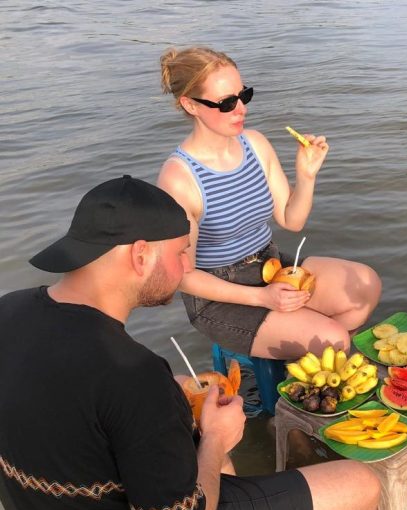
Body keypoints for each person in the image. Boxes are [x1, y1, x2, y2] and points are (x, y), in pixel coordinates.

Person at [0, 176, 380, 510]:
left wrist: (172, 404)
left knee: (195, 415)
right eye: (182, 252)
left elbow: (76, 408)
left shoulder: (9, 310)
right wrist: (218, 439)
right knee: (361, 483)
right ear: (140, 254)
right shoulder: (132, 374)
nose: (186, 268)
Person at [157, 46, 381, 359]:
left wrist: (306, 176)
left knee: (366, 285)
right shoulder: (179, 179)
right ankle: (312, 367)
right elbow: (181, 276)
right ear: (190, 105)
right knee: (334, 339)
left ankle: (306, 374)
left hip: (269, 265)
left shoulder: (255, 144)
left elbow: (292, 220)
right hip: (217, 295)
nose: (241, 110)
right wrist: (263, 299)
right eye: (226, 103)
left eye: (243, 95)